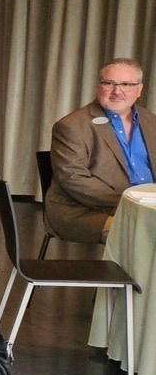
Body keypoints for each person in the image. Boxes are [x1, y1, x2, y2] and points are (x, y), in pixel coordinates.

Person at [47, 59, 154, 242]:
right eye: (109, 83)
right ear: (98, 86)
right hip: (87, 211)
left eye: (126, 84)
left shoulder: (151, 121)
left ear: (139, 89)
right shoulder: (71, 126)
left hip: (149, 206)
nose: (117, 91)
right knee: (146, 235)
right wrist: (132, 202)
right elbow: (73, 179)